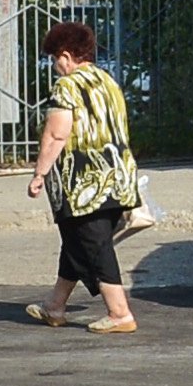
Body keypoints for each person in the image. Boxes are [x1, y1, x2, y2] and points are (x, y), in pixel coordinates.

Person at [28, 24, 143, 335]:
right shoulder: (109, 82)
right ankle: (55, 306)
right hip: (119, 177)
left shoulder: (67, 87)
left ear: (66, 56)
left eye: (54, 59)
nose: (55, 67)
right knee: (78, 242)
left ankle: (119, 312)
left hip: (84, 184)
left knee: (94, 246)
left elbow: (57, 132)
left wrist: (39, 173)